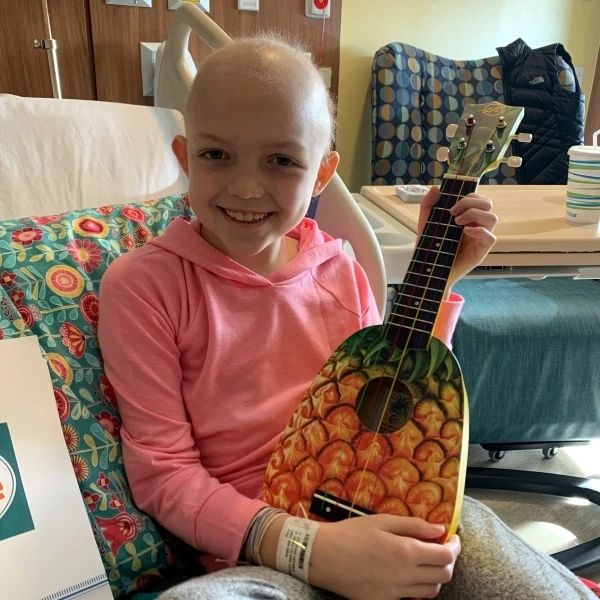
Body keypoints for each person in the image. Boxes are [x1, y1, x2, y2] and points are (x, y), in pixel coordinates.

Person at [97, 36, 595, 600]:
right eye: (216, 155)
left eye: (282, 161)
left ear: (322, 174)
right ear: (185, 156)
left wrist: (442, 279)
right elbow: (163, 473)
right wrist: (306, 548)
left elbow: (395, 401)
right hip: (260, 552)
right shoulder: (144, 285)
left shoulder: (339, 268)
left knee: (509, 564)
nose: (246, 186)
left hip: (393, 511)